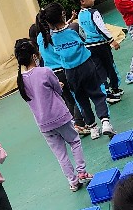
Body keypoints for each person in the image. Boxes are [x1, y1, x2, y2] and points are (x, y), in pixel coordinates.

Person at [14, 37, 93, 192]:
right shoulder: (45, 71)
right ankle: (82, 173)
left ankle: (73, 181)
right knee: (74, 142)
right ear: (34, 55)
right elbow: (58, 89)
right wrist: (59, 85)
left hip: (43, 124)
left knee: (60, 154)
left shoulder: (20, 80)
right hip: (60, 116)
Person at [34, 5, 115, 138]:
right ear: (62, 14)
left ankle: (93, 128)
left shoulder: (49, 37)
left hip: (70, 72)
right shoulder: (74, 27)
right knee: (97, 94)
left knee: (81, 100)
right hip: (86, 65)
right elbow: (84, 37)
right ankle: (105, 122)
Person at [28, 19, 88, 133]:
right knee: (77, 97)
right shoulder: (54, 34)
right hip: (63, 69)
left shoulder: (40, 38)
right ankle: (80, 123)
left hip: (51, 72)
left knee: (67, 100)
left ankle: (73, 123)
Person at [72, 0, 122, 102]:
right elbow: (101, 28)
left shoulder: (80, 15)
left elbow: (82, 31)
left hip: (89, 47)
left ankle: (106, 91)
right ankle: (114, 88)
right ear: (82, 1)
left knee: (99, 69)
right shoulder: (94, 12)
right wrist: (112, 40)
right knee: (110, 66)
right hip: (101, 45)